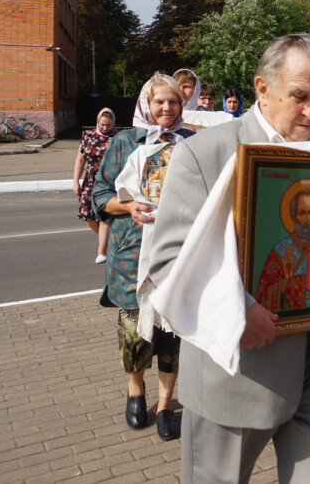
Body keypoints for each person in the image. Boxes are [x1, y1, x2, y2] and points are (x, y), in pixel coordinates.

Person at [148, 34, 310, 483]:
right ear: (262, 88)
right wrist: (239, 310)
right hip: (237, 366)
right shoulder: (205, 153)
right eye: (299, 96)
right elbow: (169, 263)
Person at [92, 74, 192, 441]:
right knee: (135, 331)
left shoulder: (191, 143)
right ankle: (136, 390)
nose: (166, 109)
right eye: (159, 102)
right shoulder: (124, 141)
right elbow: (99, 193)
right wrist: (129, 204)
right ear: (145, 104)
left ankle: (166, 403)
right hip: (131, 253)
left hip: (178, 252)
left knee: (173, 331)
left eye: (174, 102)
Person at [256, 188, 310, 312]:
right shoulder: (280, 251)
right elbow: (263, 292)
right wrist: (283, 285)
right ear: (293, 215)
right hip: (290, 323)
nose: (306, 220)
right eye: (301, 213)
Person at [73, 108, 116, 264]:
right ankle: (110, 241)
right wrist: (75, 180)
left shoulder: (118, 137)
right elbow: (80, 159)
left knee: (104, 215)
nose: (105, 128)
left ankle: (102, 252)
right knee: (87, 214)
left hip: (109, 182)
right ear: (98, 122)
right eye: (102, 124)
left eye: (109, 125)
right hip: (90, 181)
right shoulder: (88, 136)